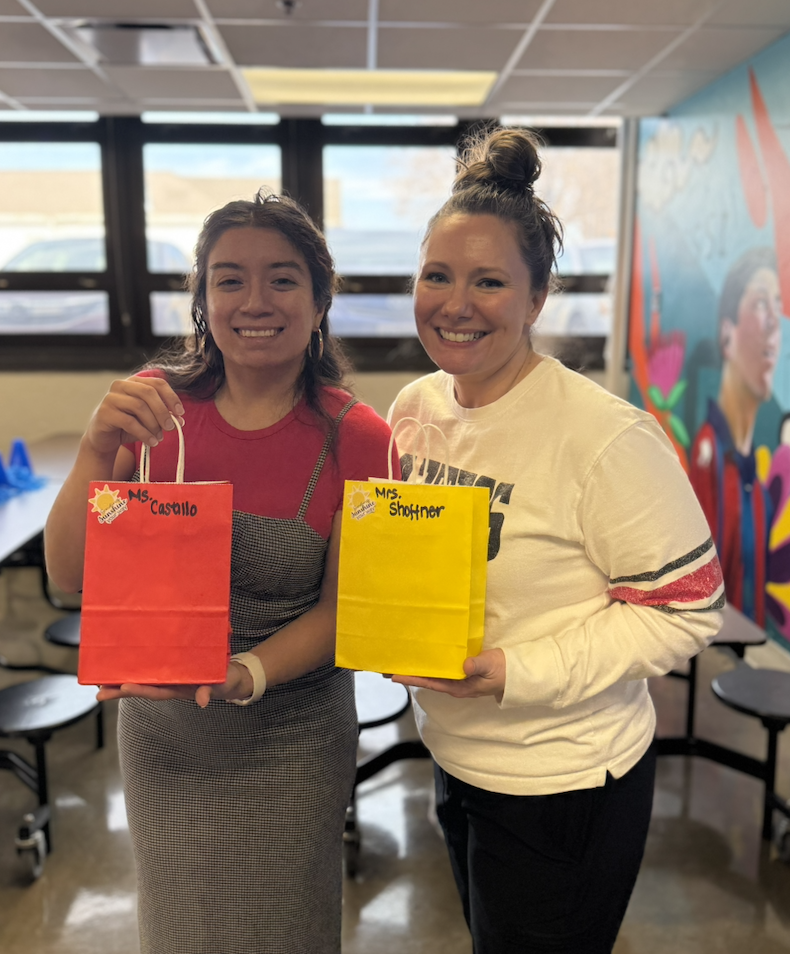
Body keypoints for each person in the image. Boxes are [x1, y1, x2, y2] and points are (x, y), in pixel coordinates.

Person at [387, 127, 725, 954]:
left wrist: (517, 672)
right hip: (457, 756)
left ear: (537, 298)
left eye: (489, 282)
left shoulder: (604, 438)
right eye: (438, 275)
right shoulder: (414, 412)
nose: (455, 303)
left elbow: (686, 611)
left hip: (564, 781)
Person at [44, 190, 396, 954]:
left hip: (291, 729)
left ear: (320, 295)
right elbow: (72, 576)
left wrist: (245, 672)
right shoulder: (155, 413)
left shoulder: (358, 438)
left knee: (282, 930)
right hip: (168, 734)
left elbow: (348, 610)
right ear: (202, 297)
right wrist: (93, 453)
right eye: (229, 279)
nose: (255, 301)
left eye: (283, 278)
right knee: (179, 929)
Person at [689, 247, 782, 626]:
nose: (775, 321)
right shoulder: (707, 457)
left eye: (779, 305)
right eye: (762, 303)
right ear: (727, 335)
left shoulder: (754, 489)